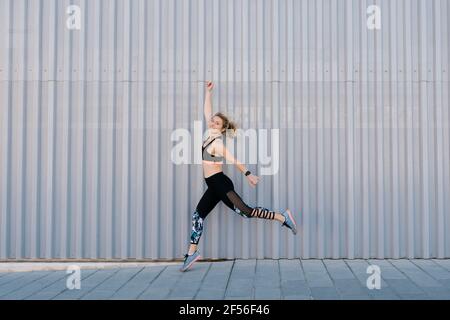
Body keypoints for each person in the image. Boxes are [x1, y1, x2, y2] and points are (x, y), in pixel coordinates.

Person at [180, 81, 298, 272]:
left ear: (222, 129)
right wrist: (208, 92)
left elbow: (234, 160)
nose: (211, 122)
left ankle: (282, 217)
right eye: (212, 121)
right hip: (213, 185)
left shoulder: (217, 143)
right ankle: (191, 253)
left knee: (247, 211)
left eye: (216, 123)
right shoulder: (208, 133)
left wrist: (249, 174)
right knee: (198, 215)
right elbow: (207, 111)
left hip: (220, 183)